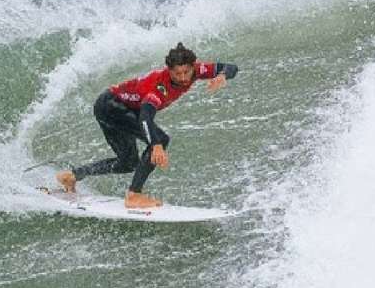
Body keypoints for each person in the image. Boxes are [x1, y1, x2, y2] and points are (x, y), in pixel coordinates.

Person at [56, 43, 238, 209]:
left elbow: (232, 67)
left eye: (186, 72)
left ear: (193, 67)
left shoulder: (197, 70)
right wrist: (156, 145)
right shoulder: (160, 87)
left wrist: (222, 76)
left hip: (119, 107)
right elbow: (145, 117)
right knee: (161, 139)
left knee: (128, 163)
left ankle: (71, 176)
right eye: (177, 73)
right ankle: (134, 195)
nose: (183, 78)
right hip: (111, 106)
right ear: (169, 70)